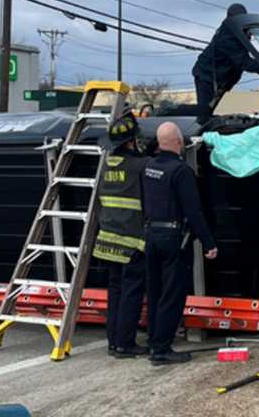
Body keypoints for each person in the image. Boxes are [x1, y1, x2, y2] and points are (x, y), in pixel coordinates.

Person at [142, 122, 218, 365]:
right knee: (172, 294)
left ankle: (154, 340)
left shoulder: (149, 166)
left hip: (151, 234)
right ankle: (162, 349)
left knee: (154, 292)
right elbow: (193, 211)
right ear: (177, 142)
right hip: (174, 239)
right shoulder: (181, 171)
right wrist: (208, 243)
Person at [92, 111, 149, 358]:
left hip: (107, 241)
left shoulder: (105, 165)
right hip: (132, 243)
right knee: (131, 294)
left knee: (114, 292)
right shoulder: (140, 165)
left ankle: (113, 341)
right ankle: (126, 343)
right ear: (130, 142)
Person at [191, 3, 259, 125]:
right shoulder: (227, 37)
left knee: (210, 113)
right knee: (205, 116)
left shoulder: (238, 31)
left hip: (219, 79)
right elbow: (244, 62)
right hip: (206, 76)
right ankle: (197, 133)